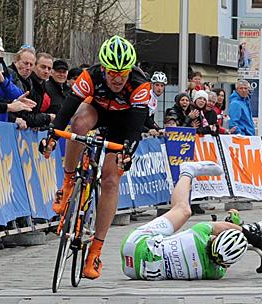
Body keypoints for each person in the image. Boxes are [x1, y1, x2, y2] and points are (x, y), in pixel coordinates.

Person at [39, 35, 151, 280]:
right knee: (78, 124)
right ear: (103, 68)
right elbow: (68, 107)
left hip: (124, 123)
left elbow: (135, 126)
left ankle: (95, 252)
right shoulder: (91, 75)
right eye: (112, 72)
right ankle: (68, 183)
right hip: (96, 111)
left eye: (122, 73)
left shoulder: (140, 85)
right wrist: (53, 136)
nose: (117, 78)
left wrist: (127, 152)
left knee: (111, 180)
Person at [120, 161, 262, 280]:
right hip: (132, 270)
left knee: (183, 210)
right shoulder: (214, 274)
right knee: (177, 222)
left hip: (135, 244)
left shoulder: (198, 234)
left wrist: (258, 240)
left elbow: (224, 228)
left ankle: (187, 173)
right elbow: (226, 261)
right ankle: (187, 171)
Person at [22, 52, 55, 128]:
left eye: (49, 68)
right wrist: (47, 117)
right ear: (34, 66)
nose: (46, 71)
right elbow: (25, 116)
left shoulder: (43, 86)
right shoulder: (28, 83)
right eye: (43, 67)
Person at [145, 71, 167, 136]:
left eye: (162, 86)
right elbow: (142, 119)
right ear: (152, 85)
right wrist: (147, 129)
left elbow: (150, 120)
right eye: (157, 85)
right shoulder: (148, 96)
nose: (159, 88)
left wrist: (158, 129)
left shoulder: (154, 98)